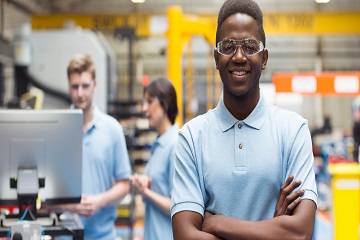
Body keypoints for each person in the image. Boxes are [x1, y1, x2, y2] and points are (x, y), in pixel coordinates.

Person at [171, 0, 318, 239]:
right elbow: (185, 235)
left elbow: (300, 233)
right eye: (228, 46)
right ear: (216, 58)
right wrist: (271, 228)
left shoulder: (293, 131)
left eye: (250, 46)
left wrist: (216, 223)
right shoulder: (191, 137)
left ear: (264, 58)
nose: (239, 56)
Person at [50, 54, 131, 240]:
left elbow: (124, 184)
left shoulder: (113, 130)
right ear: (68, 86)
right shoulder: (56, 130)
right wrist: (72, 207)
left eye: (85, 86)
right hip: (64, 234)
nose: (80, 93)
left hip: (104, 235)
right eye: (75, 86)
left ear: (95, 85)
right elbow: (44, 196)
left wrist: (98, 202)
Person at [131, 78, 178, 240]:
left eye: (150, 102)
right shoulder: (158, 144)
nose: (145, 108)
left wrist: (145, 192)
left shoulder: (175, 145)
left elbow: (178, 207)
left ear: (165, 103)